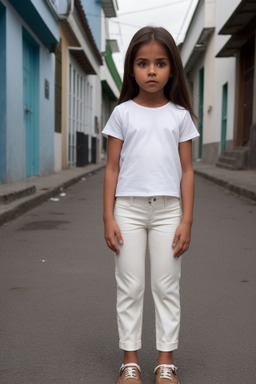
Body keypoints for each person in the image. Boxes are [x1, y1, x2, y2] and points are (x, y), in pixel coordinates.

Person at [102, 26, 199, 384]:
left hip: (168, 212)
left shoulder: (180, 116)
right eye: (143, 63)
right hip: (127, 209)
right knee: (130, 285)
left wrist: (186, 219)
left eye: (160, 63)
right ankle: (130, 360)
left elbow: (187, 171)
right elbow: (112, 167)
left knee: (165, 285)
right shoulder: (122, 113)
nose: (152, 71)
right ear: (132, 69)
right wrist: (107, 216)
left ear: (172, 68)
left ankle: (165, 361)